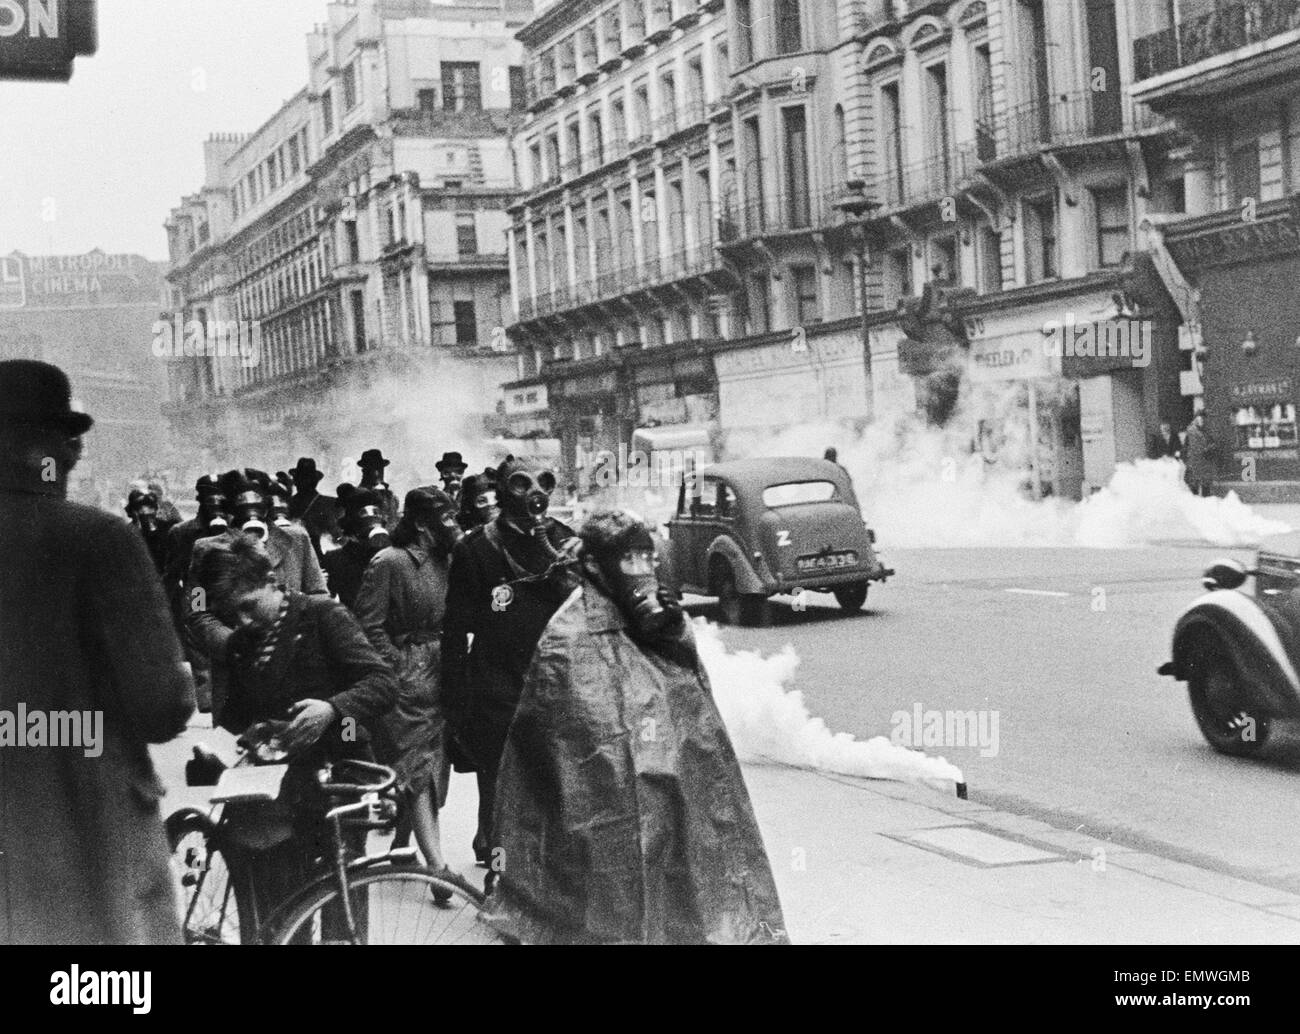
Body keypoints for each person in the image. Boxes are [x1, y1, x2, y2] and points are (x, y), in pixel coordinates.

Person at [486, 509, 788, 944]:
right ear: (595, 566)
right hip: (606, 829)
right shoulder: (568, 640)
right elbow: (567, 757)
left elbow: (696, 710)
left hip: (678, 806)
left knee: (689, 906)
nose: (643, 570)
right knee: (615, 914)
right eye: (630, 559)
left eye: (648, 557)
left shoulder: (656, 625)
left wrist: (674, 632)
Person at [0, 360, 196, 945]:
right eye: (69, 439)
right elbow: (162, 707)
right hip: (84, 818)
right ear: (55, 449)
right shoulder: (99, 539)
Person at [195, 535, 397, 928]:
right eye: (232, 614)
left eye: (249, 606)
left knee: (343, 904)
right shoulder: (243, 644)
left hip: (338, 777)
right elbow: (237, 718)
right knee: (284, 911)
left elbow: (383, 683)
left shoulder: (322, 616)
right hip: (276, 794)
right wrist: (228, 746)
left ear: (273, 581)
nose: (243, 622)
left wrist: (332, 708)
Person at [443, 456, 579, 864]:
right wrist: (454, 696)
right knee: (497, 778)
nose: (534, 494)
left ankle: (542, 874)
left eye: (543, 483)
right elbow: (455, 625)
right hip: (496, 678)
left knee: (550, 778)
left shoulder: (563, 540)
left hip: (551, 676)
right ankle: (499, 870)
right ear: (501, 491)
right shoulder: (476, 547)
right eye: (522, 484)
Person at [355, 489, 463, 893]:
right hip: (405, 676)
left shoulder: (446, 560)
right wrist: (397, 667)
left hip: (443, 671)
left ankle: (402, 845)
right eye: (445, 518)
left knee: (435, 765)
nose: (452, 525)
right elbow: (366, 625)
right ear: (421, 523)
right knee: (418, 766)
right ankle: (438, 869)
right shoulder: (389, 562)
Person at [187, 469, 328, 723]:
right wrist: (232, 644)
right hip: (237, 674)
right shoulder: (206, 549)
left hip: (297, 666)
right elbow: (197, 611)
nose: (249, 505)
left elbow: (318, 593)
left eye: (257, 497)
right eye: (239, 499)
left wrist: (297, 636)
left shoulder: (297, 539)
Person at [322, 487, 391, 611]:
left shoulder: (392, 556)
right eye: (363, 513)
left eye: (376, 512)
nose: (372, 518)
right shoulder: (335, 559)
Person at [287, 457, 338, 562]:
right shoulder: (331, 503)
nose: (301, 482)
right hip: (316, 560)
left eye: (305, 478)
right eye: (301, 478)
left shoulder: (288, 504)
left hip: (303, 560)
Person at [125, 487, 176, 575]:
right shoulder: (127, 533)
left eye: (150, 506)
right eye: (139, 508)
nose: (145, 511)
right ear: (132, 511)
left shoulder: (168, 528)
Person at [358, 449, 400, 527]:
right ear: (364, 471)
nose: (377, 473)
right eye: (372, 468)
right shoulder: (359, 494)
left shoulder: (389, 494)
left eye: (379, 468)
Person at [1183, 411, 1218, 497]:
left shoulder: (1205, 431)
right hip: (1195, 463)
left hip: (1204, 464)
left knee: (1205, 487)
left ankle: (1205, 506)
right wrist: (1209, 447)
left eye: (1203, 419)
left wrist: (1211, 447)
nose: (1202, 421)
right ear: (1195, 419)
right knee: (1194, 488)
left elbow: (1211, 443)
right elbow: (1191, 447)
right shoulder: (1191, 431)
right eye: (1200, 419)